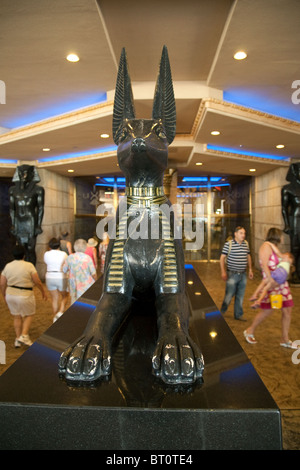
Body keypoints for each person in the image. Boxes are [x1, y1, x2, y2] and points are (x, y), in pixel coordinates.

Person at [244, 227, 298, 349]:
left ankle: (284, 338)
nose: (283, 238)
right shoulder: (266, 247)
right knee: (269, 310)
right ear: (277, 236)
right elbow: (265, 266)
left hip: (281, 285)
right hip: (274, 285)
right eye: (281, 235)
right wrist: (269, 280)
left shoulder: (273, 247)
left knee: (287, 310)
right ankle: (250, 330)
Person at [0, 244, 47, 347]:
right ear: (24, 255)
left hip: (11, 294)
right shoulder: (29, 265)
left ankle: (17, 339)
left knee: (17, 316)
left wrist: (4, 295)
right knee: (29, 314)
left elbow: (2, 283)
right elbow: (37, 281)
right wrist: (43, 291)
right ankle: (24, 335)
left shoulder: (8, 266)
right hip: (25, 294)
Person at [9, 164, 44, 265]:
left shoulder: (38, 190)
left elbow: (40, 208)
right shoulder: (12, 190)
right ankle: (22, 272)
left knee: (30, 249)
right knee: (21, 249)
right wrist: (13, 224)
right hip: (18, 221)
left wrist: (38, 225)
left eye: (25, 173)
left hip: (31, 221)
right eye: (20, 173)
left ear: (32, 174)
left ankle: (32, 271)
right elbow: (12, 209)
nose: (23, 176)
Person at [220, 226, 253, 320]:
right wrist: (223, 271)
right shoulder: (229, 244)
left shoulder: (246, 244)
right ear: (236, 234)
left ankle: (238, 315)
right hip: (232, 274)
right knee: (229, 295)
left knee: (240, 296)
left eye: (244, 233)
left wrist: (250, 269)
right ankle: (222, 311)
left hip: (243, 274)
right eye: (241, 233)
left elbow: (248, 256)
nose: (243, 235)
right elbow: (222, 258)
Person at [63, 239, 97, 304]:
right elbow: (93, 274)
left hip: (74, 286)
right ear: (85, 248)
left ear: (75, 247)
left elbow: (64, 269)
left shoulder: (70, 257)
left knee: (74, 303)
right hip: (86, 286)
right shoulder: (87, 258)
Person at [44, 237, 69, 322]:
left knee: (54, 298)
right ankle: (60, 312)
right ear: (59, 245)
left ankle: (55, 317)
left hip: (49, 276)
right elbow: (66, 265)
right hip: (61, 276)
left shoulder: (46, 254)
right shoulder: (63, 254)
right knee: (65, 296)